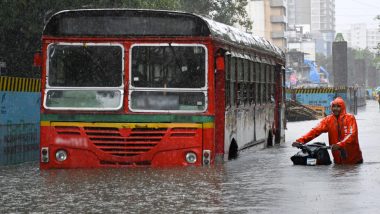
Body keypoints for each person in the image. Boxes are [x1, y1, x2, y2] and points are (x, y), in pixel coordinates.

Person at [292, 97, 363, 164]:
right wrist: (300, 141)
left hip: (354, 161)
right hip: (337, 162)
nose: (335, 108)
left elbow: (351, 134)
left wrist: (339, 145)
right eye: (334, 106)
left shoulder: (350, 118)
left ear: (343, 107)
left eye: (338, 106)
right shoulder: (328, 120)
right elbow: (315, 130)